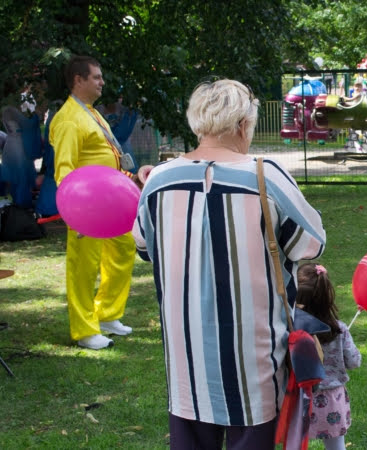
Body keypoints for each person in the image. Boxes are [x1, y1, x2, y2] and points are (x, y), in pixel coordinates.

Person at [132, 79, 326, 448]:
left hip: (186, 356)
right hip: (253, 357)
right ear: (242, 125)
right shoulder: (265, 175)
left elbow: (144, 246)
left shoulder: (159, 179)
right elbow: (311, 244)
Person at [49, 55, 138, 350]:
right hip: (86, 208)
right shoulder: (69, 119)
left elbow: (108, 155)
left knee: (124, 250)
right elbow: (64, 170)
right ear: (79, 80)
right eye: (97, 77)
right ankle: (85, 330)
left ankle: (108, 314)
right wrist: (75, 213)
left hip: (109, 204)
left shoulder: (90, 112)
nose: (102, 82)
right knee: (83, 267)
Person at [295, 263, 361, 450]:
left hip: (299, 399)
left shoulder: (292, 331)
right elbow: (354, 362)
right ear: (327, 296)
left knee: (295, 443)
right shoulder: (339, 330)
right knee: (335, 446)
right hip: (332, 402)